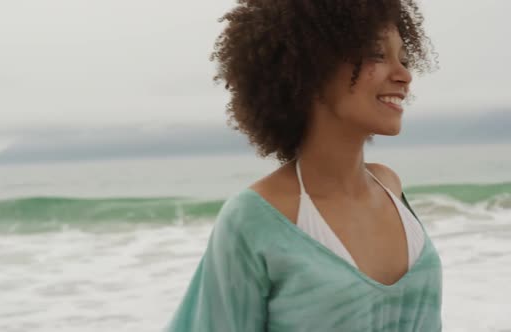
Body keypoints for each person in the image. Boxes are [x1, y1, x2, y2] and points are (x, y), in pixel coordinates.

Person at [166, 0, 441, 330]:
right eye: (377, 55)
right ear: (313, 63)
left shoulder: (390, 187)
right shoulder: (254, 220)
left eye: (404, 58)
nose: (404, 75)